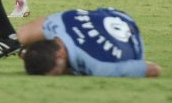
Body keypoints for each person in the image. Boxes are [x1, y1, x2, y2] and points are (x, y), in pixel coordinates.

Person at [18, 8, 161, 77]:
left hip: (134, 42)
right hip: (118, 15)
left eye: (57, 72)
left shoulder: (97, 66)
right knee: (22, 34)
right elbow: (23, 34)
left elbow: (153, 69)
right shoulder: (58, 23)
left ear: (59, 57)